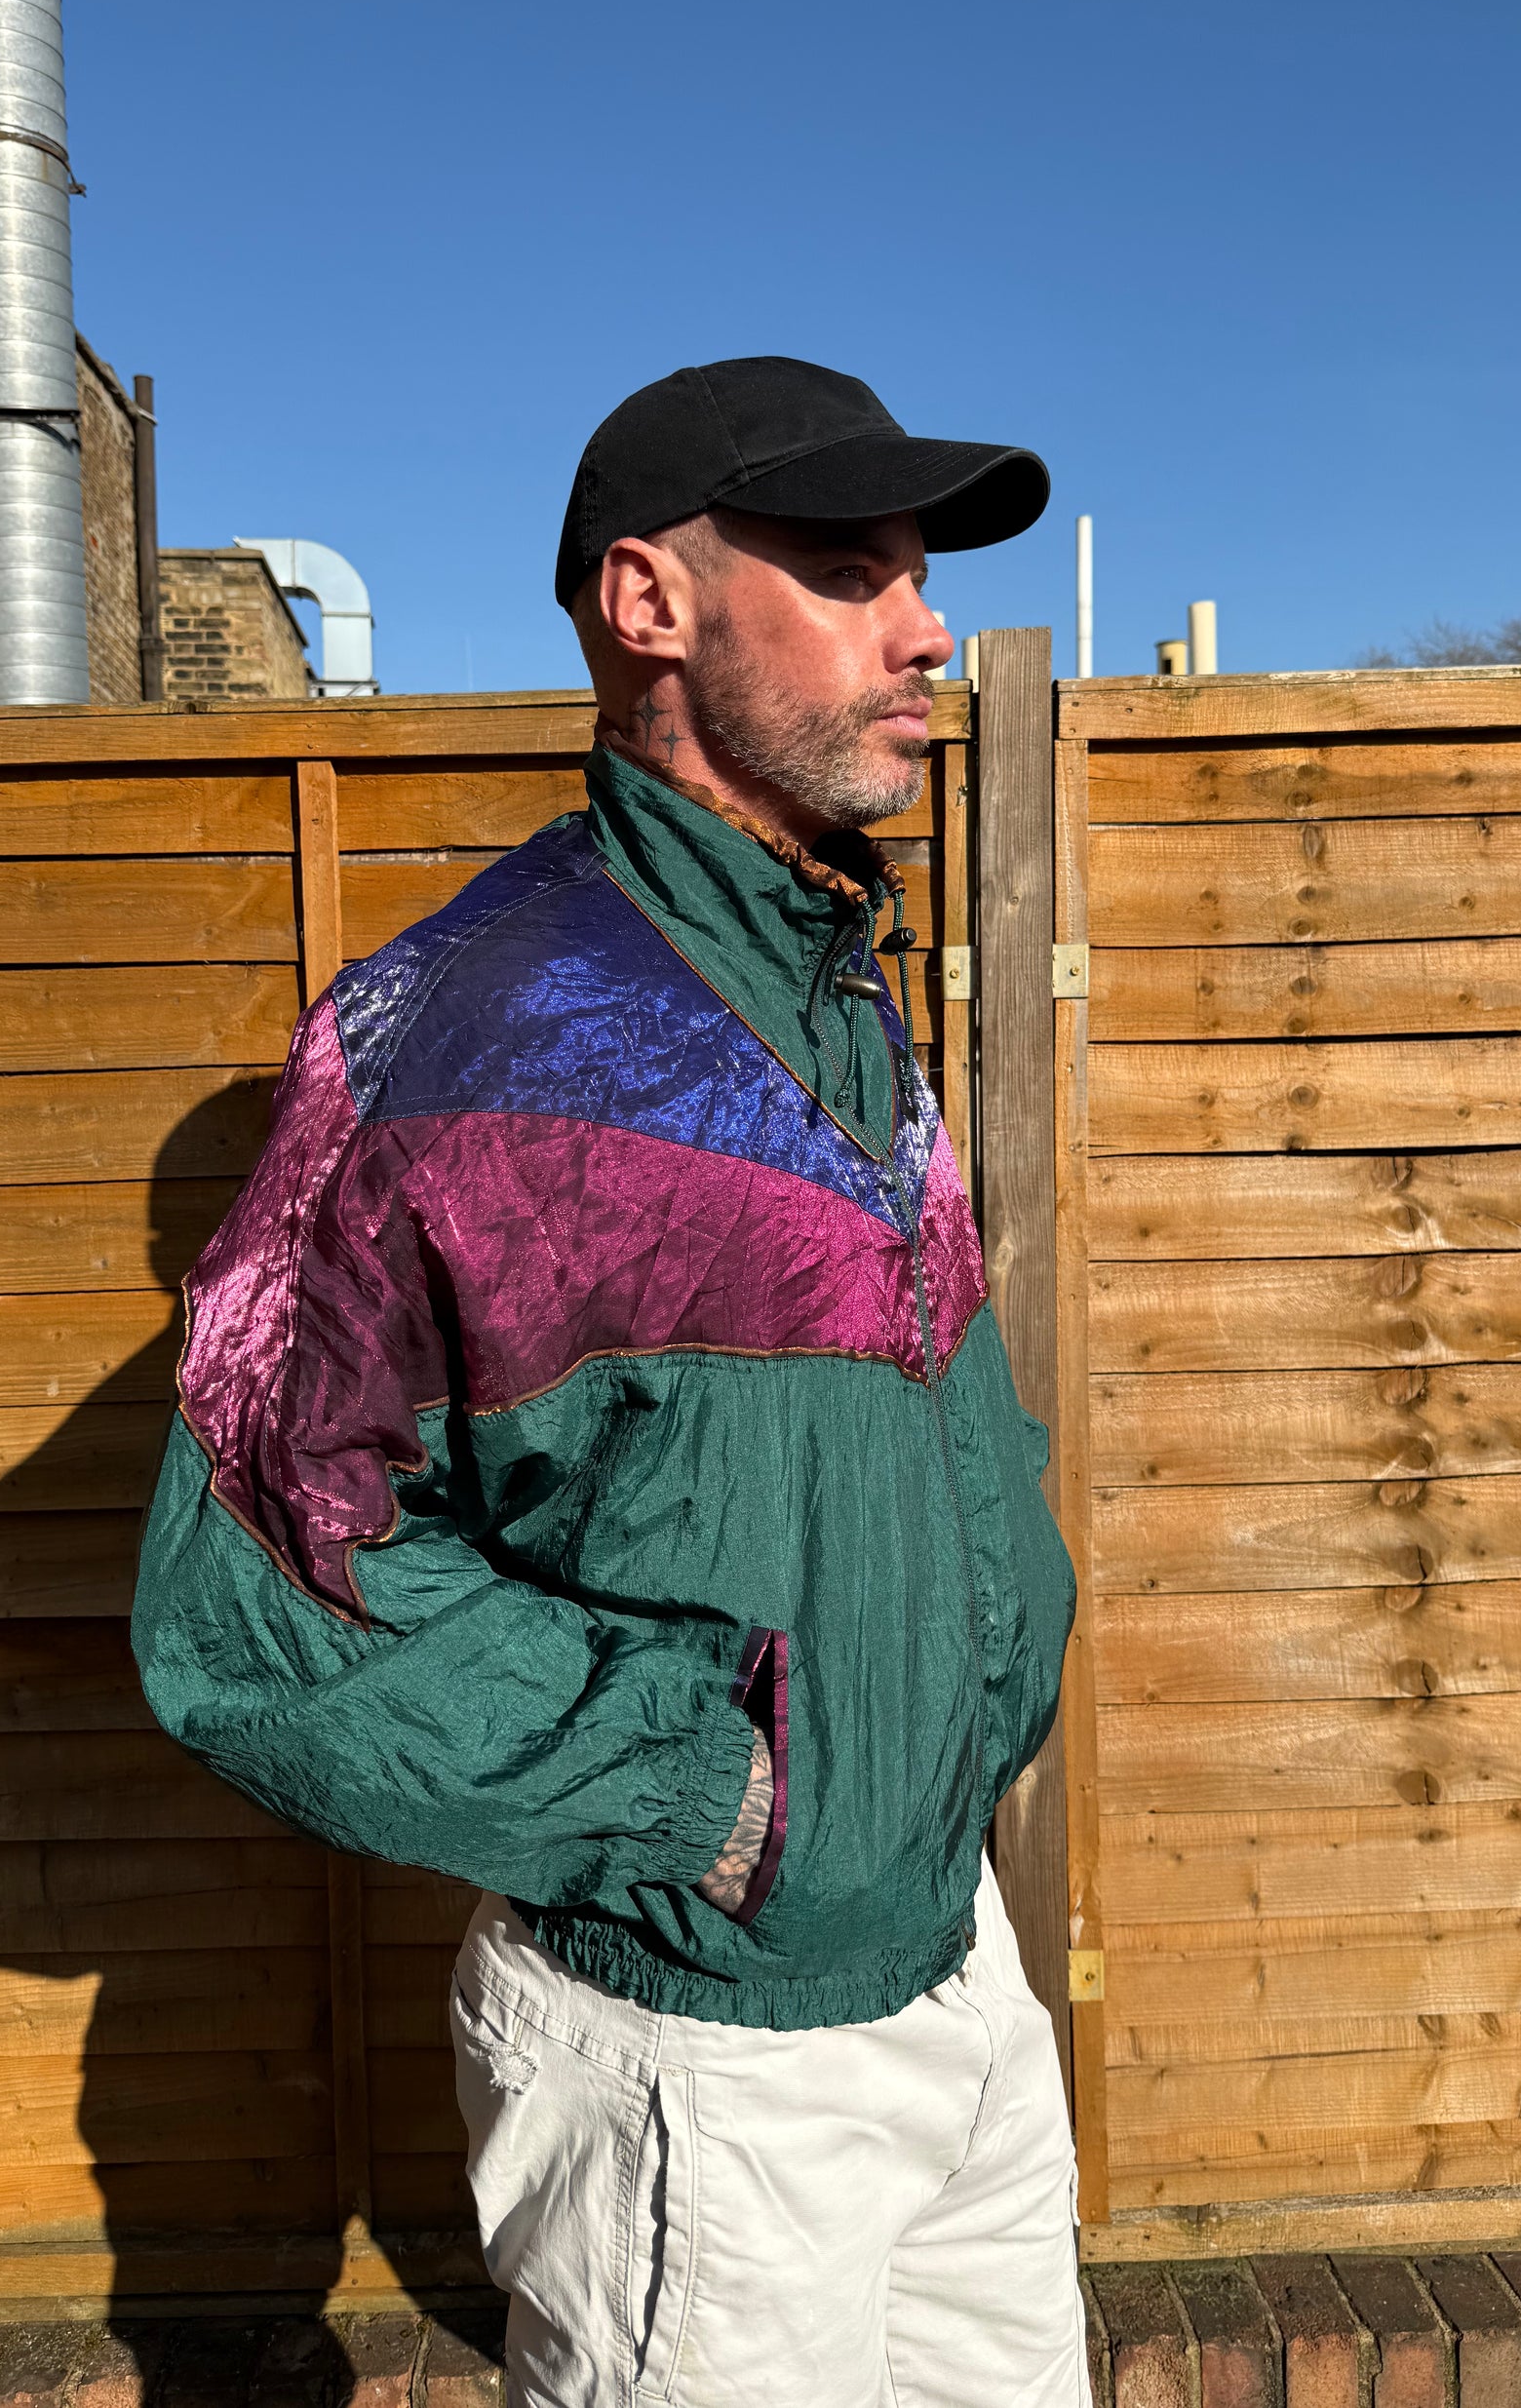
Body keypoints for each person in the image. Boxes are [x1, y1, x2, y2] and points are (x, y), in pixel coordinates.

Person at [134, 356, 1086, 2406]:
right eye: (849, 570)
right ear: (649, 602)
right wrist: (714, 1798)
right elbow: (259, 1582)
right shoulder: (459, 1036)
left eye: (920, 574)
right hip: (699, 2056)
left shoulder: (838, 989)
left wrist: (952, 1720)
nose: (926, 629)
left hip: (953, 1967)